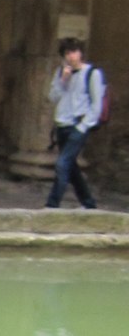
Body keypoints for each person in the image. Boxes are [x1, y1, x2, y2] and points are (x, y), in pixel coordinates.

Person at [44, 36, 106, 210]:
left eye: (73, 52)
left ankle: (52, 205)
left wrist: (83, 126)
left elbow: (96, 104)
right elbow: (53, 97)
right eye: (66, 53)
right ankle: (88, 203)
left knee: (62, 164)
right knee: (71, 167)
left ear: (80, 53)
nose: (71, 56)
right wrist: (63, 80)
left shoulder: (92, 73)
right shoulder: (61, 72)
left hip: (78, 125)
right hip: (62, 125)